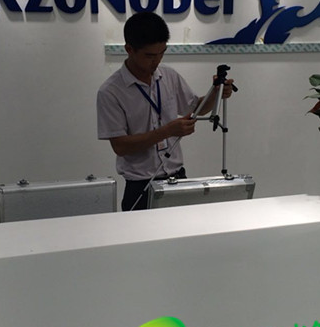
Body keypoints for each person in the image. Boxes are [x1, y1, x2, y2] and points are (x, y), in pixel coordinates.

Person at [97, 12, 233, 211]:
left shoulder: (169, 76)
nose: (157, 61)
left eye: (162, 53)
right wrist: (166, 131)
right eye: (150, 56)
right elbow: (120, 146)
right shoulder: (111, 92)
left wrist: (216, 92)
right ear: (129, 49)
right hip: (140, 186)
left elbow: (196, 109)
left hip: (177, 179)